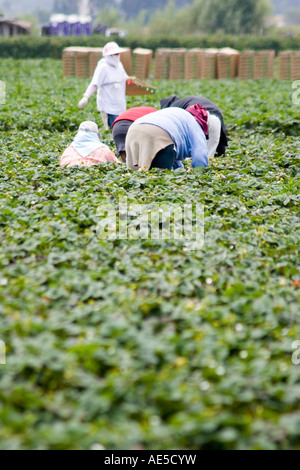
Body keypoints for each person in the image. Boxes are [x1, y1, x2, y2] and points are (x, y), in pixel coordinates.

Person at [125, 106, 209, 172]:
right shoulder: (195, 124)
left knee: (135, 175)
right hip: (158, 132)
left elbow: (175, 158)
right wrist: (198, 175)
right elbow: (200, 156)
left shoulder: (176, 114)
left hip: (133, 130)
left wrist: (180, 172)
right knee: (160, 179)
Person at [78, 42, 129, 130]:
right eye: (114, 54)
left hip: (120, 104)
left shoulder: (119, 65)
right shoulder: (103, 67)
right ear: (108, 56)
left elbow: (126, 79)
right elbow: (94, 84)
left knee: (121, 128)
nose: (116, 56)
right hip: (108, 106)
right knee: (113, 129)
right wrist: (86, 97)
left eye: (117, 54)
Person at [160, 95, 228, 158]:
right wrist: (222, 153)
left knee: (190, 159)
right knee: (208, 158)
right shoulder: (186, 101)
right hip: (215, 119)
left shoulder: (172, 108)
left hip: (197, 117)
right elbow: (220, 131)